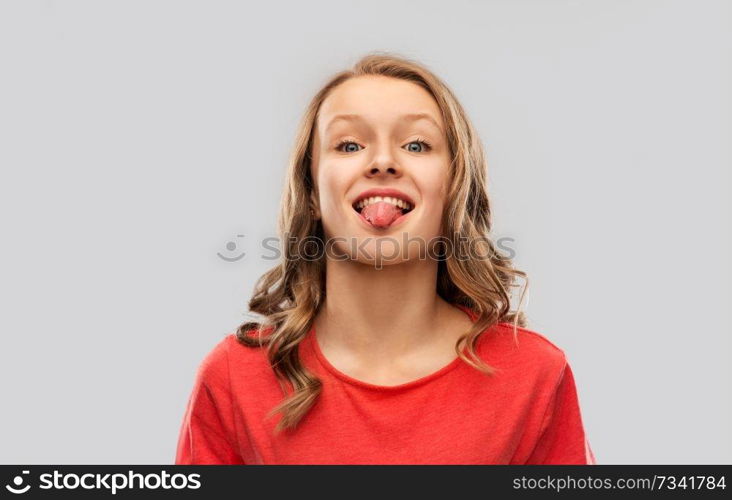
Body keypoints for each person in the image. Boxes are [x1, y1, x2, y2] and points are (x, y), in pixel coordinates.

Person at [174, 52, 596, 465]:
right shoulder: (233, 376)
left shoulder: (534, 374)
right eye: (350, 144)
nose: (382, 163)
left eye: (416, 144)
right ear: (312, 191)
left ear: (452, 187)